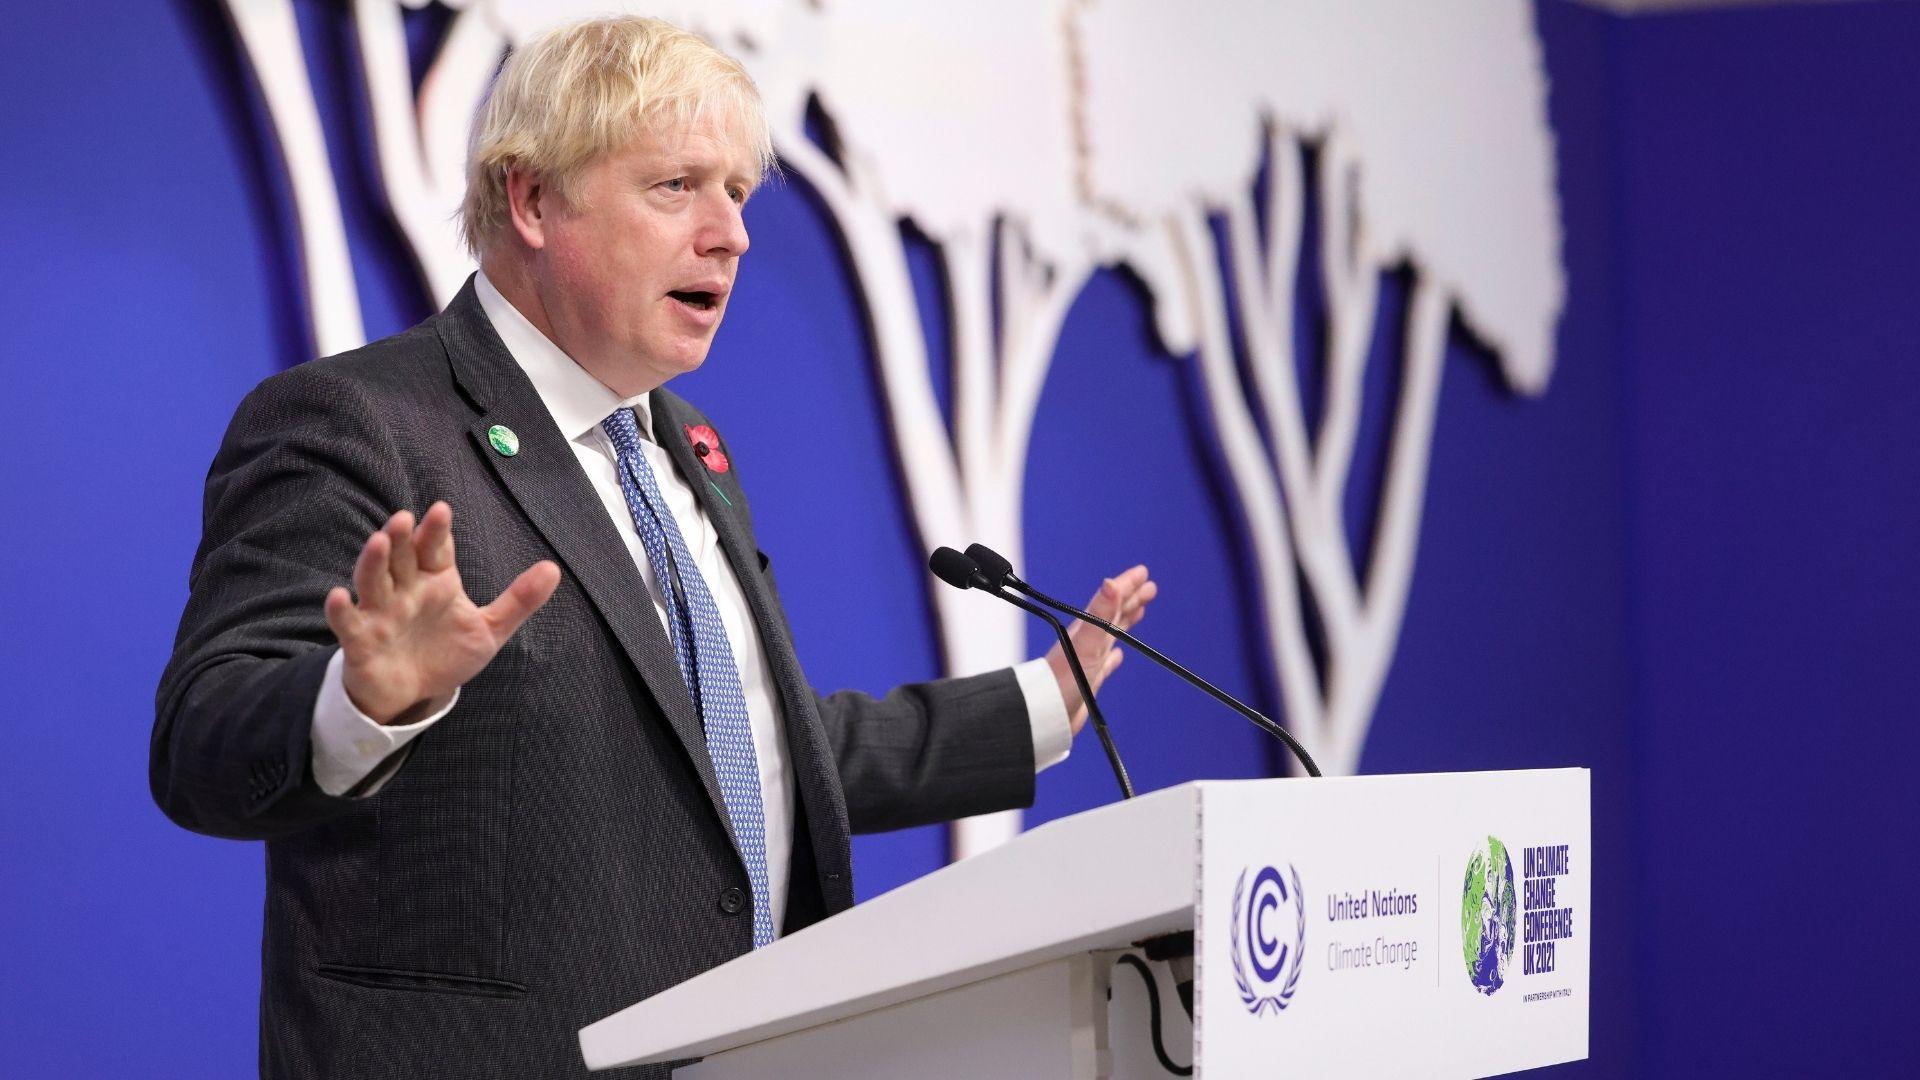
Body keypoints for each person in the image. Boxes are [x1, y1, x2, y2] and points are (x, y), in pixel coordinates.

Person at [151, 15, 1155, 1078]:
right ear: (534, 200)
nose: (732, 233)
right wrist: (364, 701)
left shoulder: (692, 456)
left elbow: (739, 754)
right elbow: (203, 743)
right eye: (677, 186)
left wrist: (1042, 702)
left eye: (736, 192)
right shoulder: (357, 422)